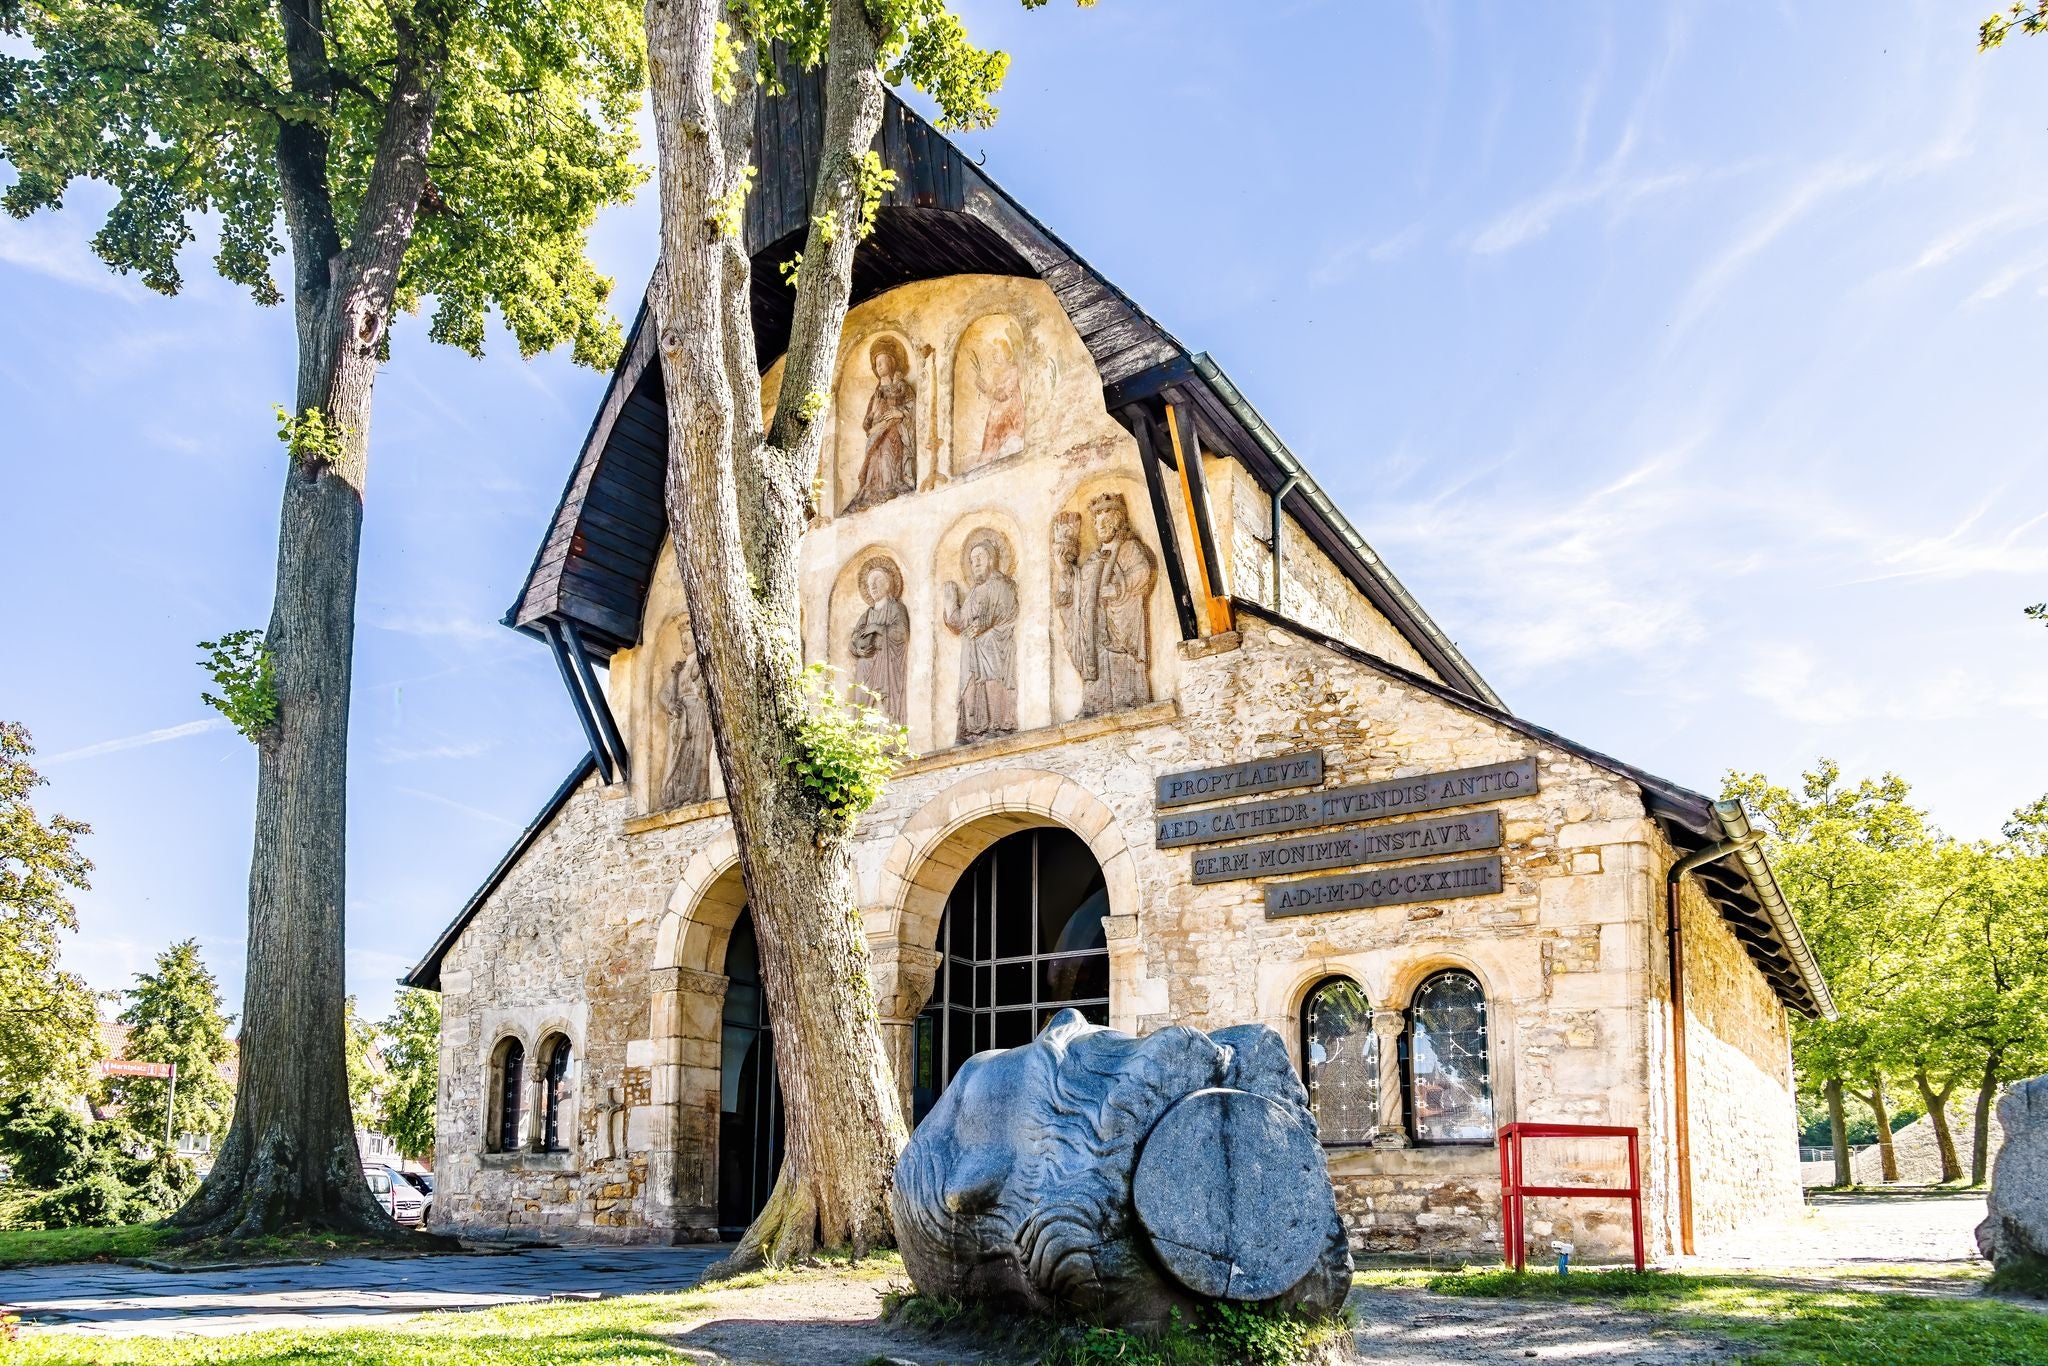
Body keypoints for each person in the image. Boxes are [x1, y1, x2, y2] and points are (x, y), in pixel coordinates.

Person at [1056, 492, 1156, 716]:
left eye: (1104, 520)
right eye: (1096, 521)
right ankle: (1095, 705)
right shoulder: (1094, 558)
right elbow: (1078, 589)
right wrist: (1064, 569)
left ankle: (1129, 699)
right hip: (1095, 626)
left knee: (1120, 658)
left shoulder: (1129, 548)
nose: (1098, 525)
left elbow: (1143, 572)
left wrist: (1118, 589)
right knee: (1099, 659)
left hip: (1121, 621)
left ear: (1117, 521)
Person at [942, 531, 1019, 742]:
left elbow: (1007, 609)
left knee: (992, 678)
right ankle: (973, 729)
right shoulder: (974, 593)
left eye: (980, 558)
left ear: (992, 560)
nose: (975, 563)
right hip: (972, 649)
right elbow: (960, 623)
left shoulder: (1001, 584)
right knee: (971, 686)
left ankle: (997, 723)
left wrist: (984, 625)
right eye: (972, 560)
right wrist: (950, 602)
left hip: (995, 645)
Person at [846, 337, 916, 512]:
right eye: (877, 363)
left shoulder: (902, 387)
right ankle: (873, 490)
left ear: (891, 363)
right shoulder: (876, 394)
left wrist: (900, 413)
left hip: (892, 432)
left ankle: (891, 485)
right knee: (875, 460)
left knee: (888, 457)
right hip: (876, 433)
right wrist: (874, 411)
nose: (879, 366)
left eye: (882, 362)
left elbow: (912, 406)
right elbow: (867, 423)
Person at [849, 558, 910, 726]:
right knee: (863, 710)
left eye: (878, 581)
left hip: (887, 669)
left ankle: (891, 745)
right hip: (865, 669)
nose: (873, 586)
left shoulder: (896, 608)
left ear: (889, 583)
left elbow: (902, 634)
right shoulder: (867, 614)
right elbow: (853, 639)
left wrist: (878, 628)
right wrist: (859, 650)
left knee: (886, 708)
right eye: (870, 584)